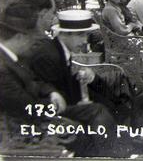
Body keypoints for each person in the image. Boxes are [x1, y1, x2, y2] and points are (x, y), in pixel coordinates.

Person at [27, 10, 121, 157]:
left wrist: (90, 78)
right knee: (98, 109)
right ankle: (110, 152)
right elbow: (51, 92)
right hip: (47, 112)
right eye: (81, 35)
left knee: (109, 91)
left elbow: (65, 83)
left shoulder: (60, 50)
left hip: (61, 104)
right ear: (65, 34)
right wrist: (81, 101)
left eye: (86, 35)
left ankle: (119, 142)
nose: (85, 41)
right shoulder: (48, 55)